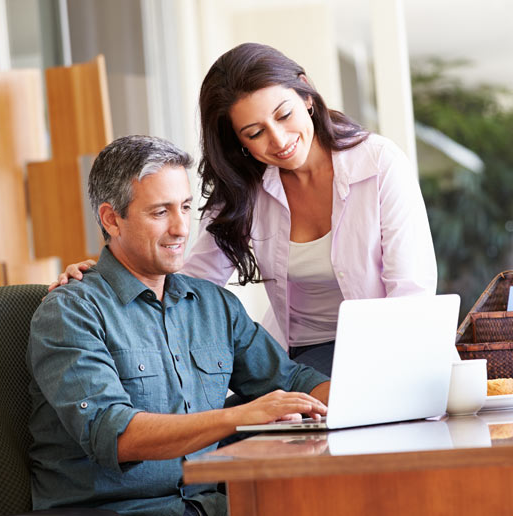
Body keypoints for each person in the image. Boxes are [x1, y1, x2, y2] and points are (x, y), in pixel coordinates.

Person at [51, 43, 437, 376]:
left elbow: (411, 292)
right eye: (254, 133)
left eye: (284, 115)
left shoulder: (380, 164)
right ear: (238, 141)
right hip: (300, 356)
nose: (279, 140)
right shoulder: (244, 185)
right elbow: (193, 281)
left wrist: (386, 374)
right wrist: (102, 280)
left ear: (306, 94)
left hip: (387, 350)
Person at [28, 135, 330, 516]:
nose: (182, 228)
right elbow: (114, 433)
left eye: (185, 208)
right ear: (111, 219)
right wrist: (238, 416)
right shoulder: (70, 312)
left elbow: (292, 382)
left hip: (209, 506)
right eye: (160, 213)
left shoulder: (213, 306)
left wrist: (366, 403)